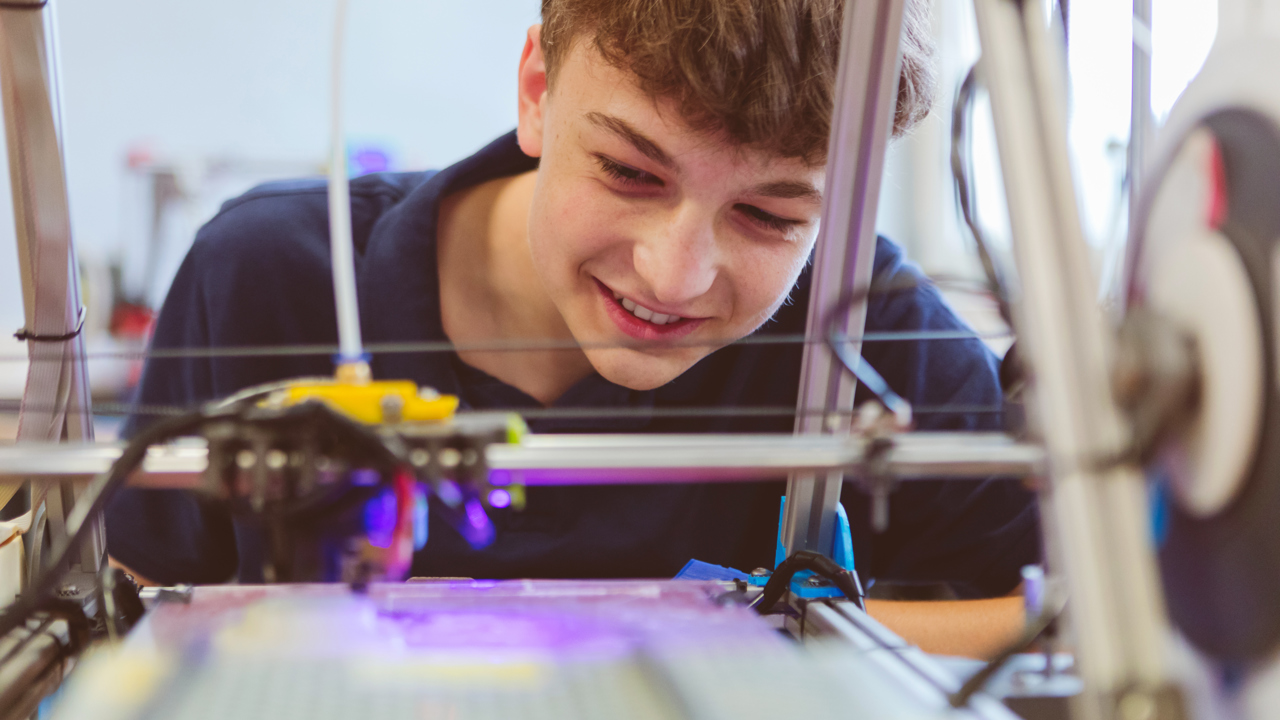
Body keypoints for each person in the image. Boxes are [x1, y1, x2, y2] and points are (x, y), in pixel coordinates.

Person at [107, 0, 1039, 658]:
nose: (674, 274)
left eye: (770, 217)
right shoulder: (272, 277)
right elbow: (126, 615)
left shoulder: (867, 328)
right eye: (632, 173)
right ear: (537, 90)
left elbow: (1061, 617)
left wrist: (762, 635)